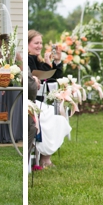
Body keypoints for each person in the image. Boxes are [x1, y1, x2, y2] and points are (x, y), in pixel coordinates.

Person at [28, 30, 67, 169]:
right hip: (32, 100)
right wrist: (47, 63)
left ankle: (45, 157)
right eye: (36, 43)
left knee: (57, 116)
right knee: (51, 114)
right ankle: (45, 159)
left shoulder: (36, 59)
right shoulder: (28, 59)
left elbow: (53, 78)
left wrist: (55, 61)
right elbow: (37, 77)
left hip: (41, 99)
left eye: (41, 43)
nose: (39, 46)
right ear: (27, 45)